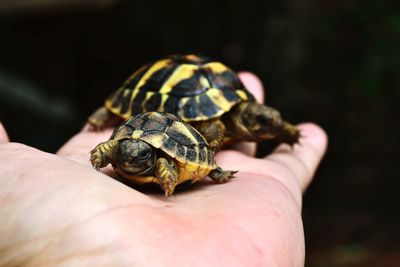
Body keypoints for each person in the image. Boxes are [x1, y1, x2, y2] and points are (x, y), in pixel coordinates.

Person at [0, 72, 327, 267]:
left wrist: (285, 131)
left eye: (265, 122)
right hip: (155, 125)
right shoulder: (212, 129)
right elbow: (115, 149)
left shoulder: (242, 112)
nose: (264, 126)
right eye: (259, 122)